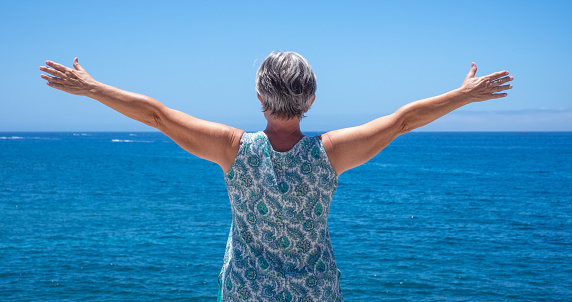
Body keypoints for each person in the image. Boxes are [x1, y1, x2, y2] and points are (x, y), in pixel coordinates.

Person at [40, 51, 513, 301]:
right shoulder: (330, 154)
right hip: (317, 293)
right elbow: (404, 118)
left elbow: (157, 116)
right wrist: (463, 95)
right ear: (310, 101)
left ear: (260, 99)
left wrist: (91, 88)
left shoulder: (232, 149)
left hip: (247, 292)